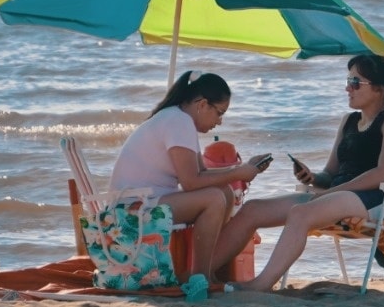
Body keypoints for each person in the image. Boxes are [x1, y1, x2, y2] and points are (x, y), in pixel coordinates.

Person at [213, 54, 384, 292]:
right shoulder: (349, 121)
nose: (347, 87)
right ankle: (200, 275)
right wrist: (313, 178)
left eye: (355, 82)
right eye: (348, 80)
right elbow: (330, 173)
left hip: (376, 198)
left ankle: (260, 285)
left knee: (300, 213)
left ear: (379, 89)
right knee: (253, 209)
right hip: (338, 195)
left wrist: (334, 191)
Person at [110, 70, 271, 284]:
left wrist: (242, 168)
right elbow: (191, 182)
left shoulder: (178, 118)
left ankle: (206, 270)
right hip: (132, 211)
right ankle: (200, 277)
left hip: (142, 201)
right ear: (202, 104)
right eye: (219, 113)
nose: (220, 122)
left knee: (225, 193)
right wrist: (238, 172)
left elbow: (200, 175)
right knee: (214, 199)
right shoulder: (179, 121)